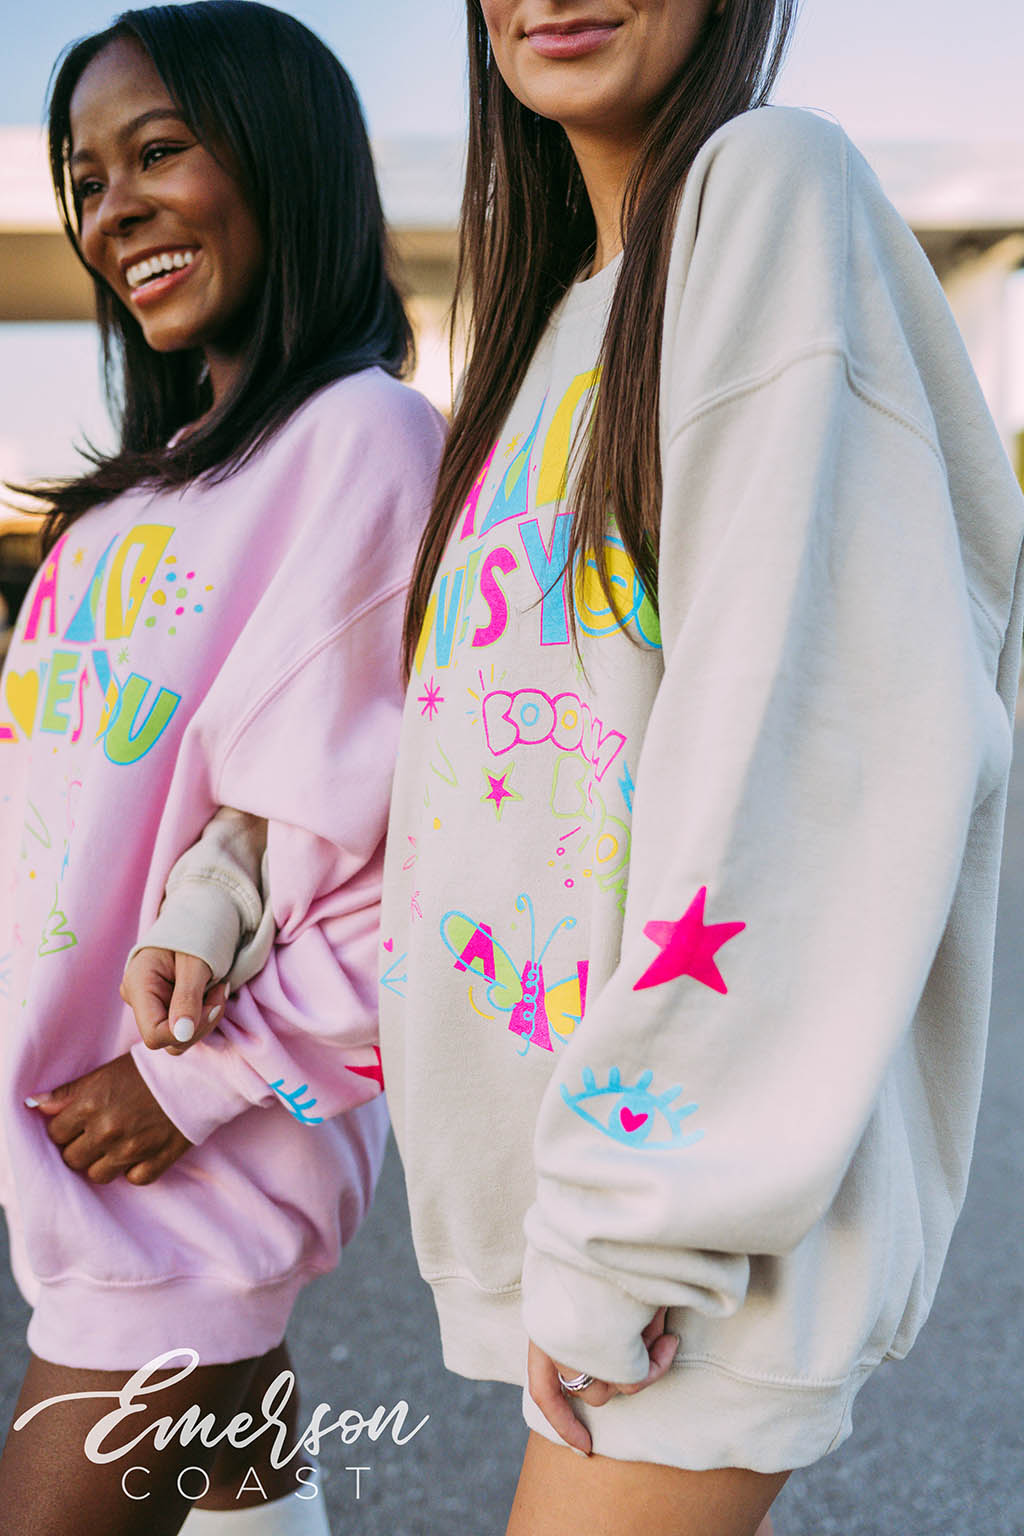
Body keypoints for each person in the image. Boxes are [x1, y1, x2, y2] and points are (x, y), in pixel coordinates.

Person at [121, 1, 1024, 1533]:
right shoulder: (547, 334)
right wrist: (225, 886)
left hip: (687, 1217)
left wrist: (634, 1228)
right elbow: (424, 726)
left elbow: (808, 746)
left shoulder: (768, 190)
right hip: (587, 1202)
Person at [0, 5, 443, 1534]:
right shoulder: (119, 510)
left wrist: (191, 1083)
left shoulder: (366, 443)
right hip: (76, 1139)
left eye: (159, 151)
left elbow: (418, 859)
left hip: (179, 1152)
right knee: (244, 1475)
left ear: (284, 160)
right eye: (85, 178)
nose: (113, 208)